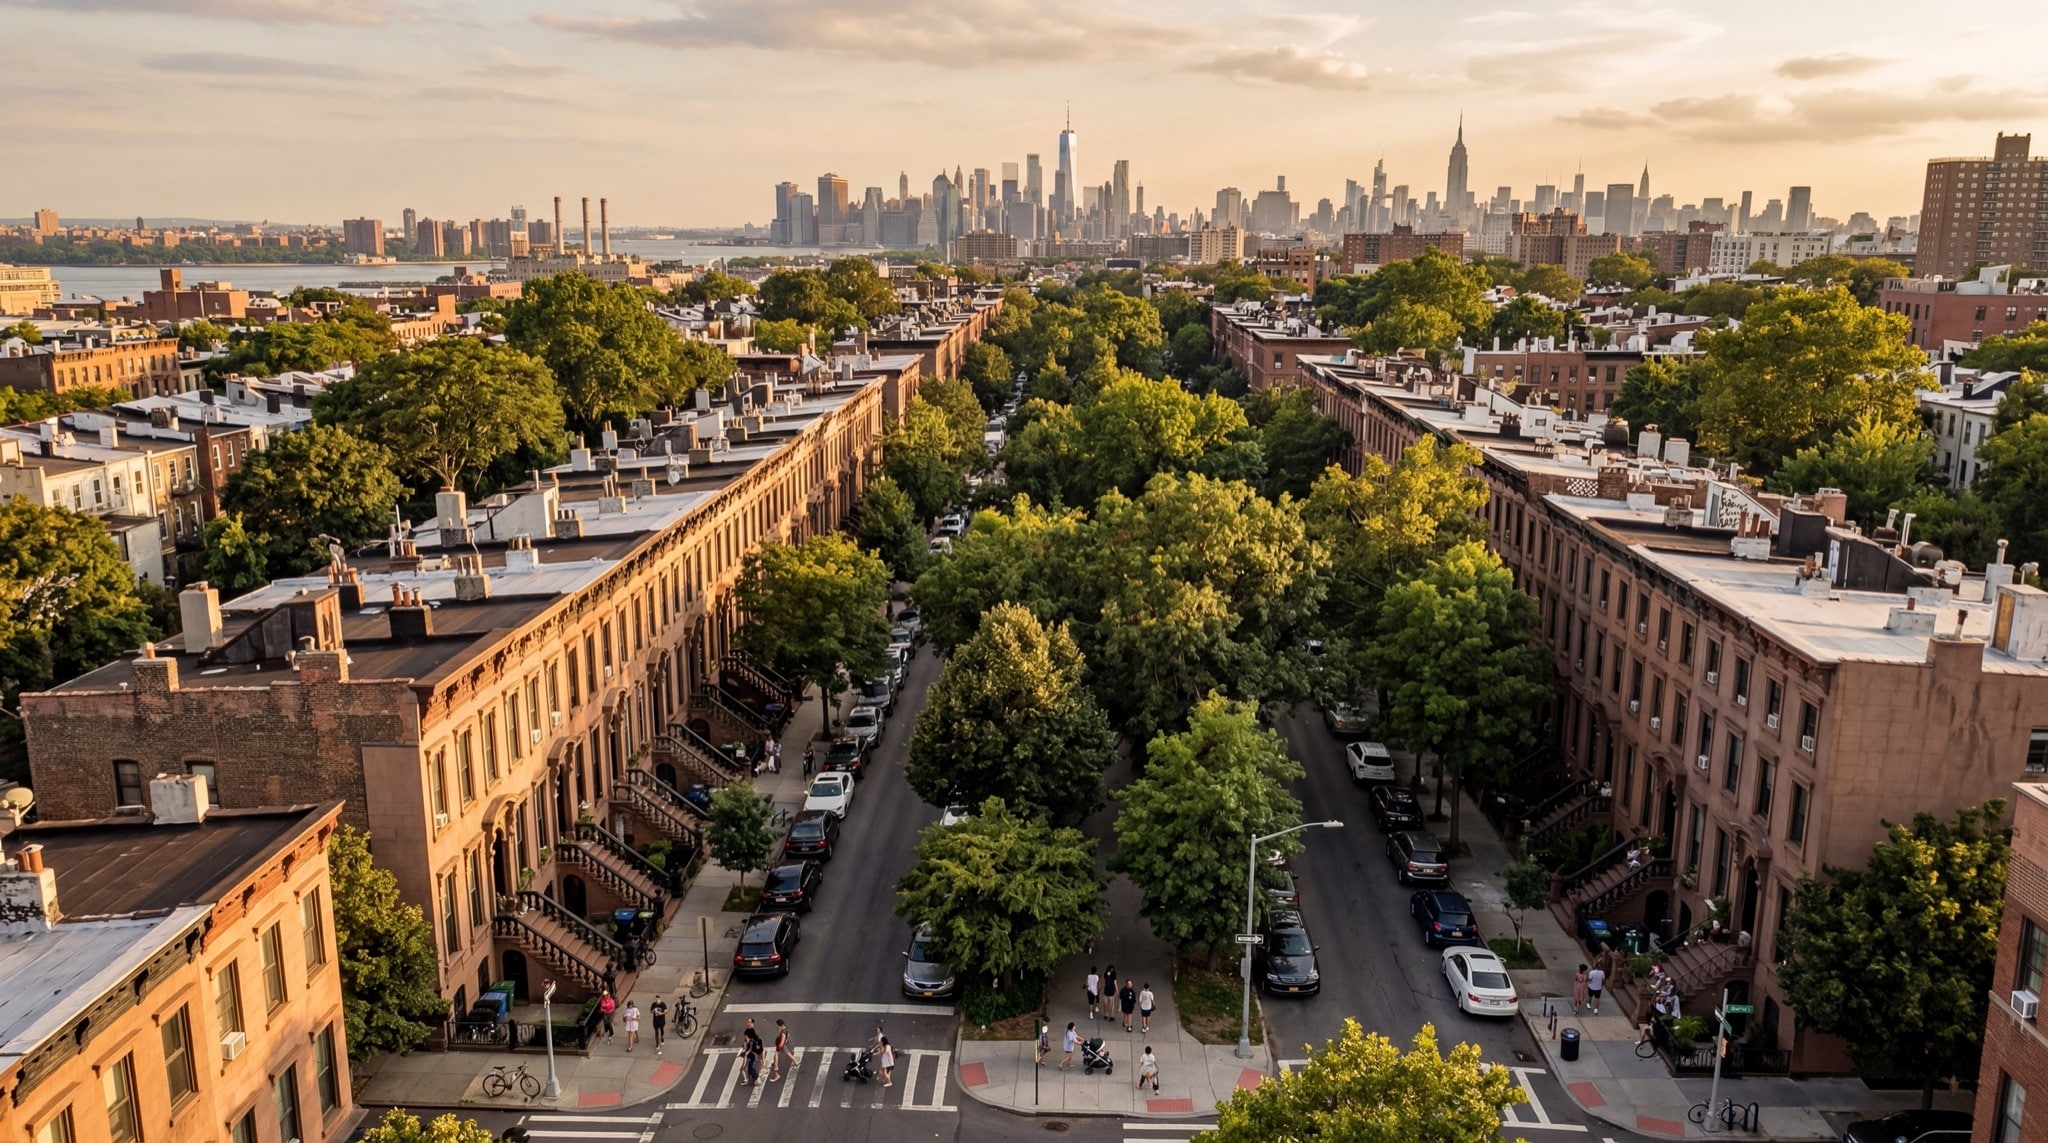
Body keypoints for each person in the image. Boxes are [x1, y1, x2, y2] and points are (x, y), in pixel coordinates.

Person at [742, 1019, 764, 1086]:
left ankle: (757, 1079)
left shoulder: (752, 1039)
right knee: (750, 1068)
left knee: (751, 1068)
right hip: (751, 1055)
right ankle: (756, 1078)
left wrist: (746, 1053)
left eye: (749, 1022)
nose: (745, 1038)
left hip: (753, 1055)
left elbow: (751, 1048)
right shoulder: (748, 1037)